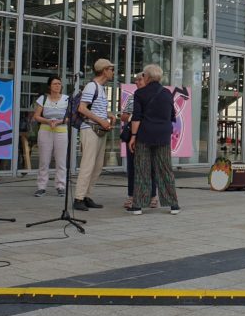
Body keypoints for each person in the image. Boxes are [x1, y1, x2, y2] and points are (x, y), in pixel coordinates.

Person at [128, 64, 179, 215]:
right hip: (163, 135)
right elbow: (172, 115)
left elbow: (136, 118)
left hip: (145, 134)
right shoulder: (167, 93)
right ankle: (173, 204)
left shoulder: (140, 93)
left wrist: (133, 136)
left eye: (143, 75)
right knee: (165, 169)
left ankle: (138, 205)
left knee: (142, 168)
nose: (142, 78)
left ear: (147, 77)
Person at [73, 58, 116, 211]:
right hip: (90, 129)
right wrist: (101, 121)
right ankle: (78, 198)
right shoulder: (92, 86)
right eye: (111, 69)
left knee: (97, 166)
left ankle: (86, 196)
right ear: (104, 70)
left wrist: (108, 115)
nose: (113, 72)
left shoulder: (101, 87)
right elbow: (82, 108)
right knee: (88, 164)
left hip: (99, 129)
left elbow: (95, 108)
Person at [121, 72, 157, 210]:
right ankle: (132, 196)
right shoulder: (132, 97)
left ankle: (153, 196)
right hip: (134, 135)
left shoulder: (155, 97)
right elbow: (124, 116)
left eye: (140, 80)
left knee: (151, 166)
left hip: (149, 135)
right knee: (132, 167)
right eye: (135, 80)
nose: (137, 82)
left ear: (148, 80)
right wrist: (134, 119)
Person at [32, 75, 69, 197]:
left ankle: (60, 186)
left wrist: (59, 121)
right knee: (44, 160)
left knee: (61, 161)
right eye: (55, 84)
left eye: (59, 84)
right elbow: (36, 116)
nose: (57, 86)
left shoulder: (66, 99)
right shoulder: (43, 99)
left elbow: (70, 117)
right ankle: (41, 187)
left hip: (61, 130)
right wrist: (48, 121)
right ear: (49, 86)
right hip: (45, 130)